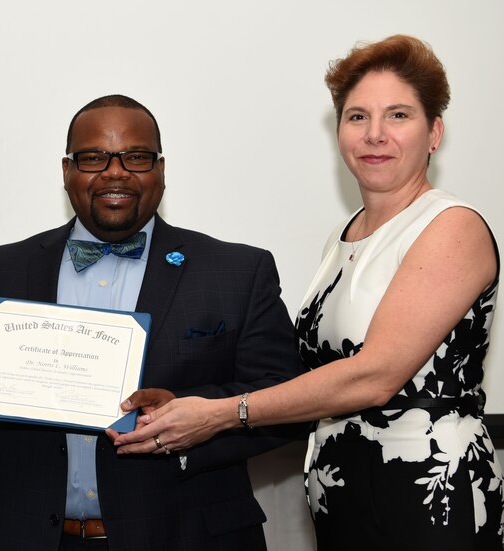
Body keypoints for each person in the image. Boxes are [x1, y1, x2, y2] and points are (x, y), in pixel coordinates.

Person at [113, 35, 504, 550]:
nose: (375, 135)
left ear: (434, 133)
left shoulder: (451, 226)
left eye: (399, 116)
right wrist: (187, 404)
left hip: (427, 493)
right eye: (357, 117)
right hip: (341, 493)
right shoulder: (346, 236)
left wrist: (220, 414)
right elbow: (307, 377)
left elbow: (375, 375)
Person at [0, 94, 309, 550]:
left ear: (161, 170)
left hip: (189, 538)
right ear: (66, 171)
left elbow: (287, 400)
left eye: (136, 157)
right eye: (93, 158)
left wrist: (192, 414)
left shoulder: (235, 272)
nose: (115, 172)